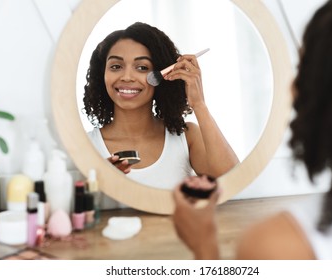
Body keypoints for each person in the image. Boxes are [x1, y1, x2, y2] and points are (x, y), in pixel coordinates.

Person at [173, 0, 332, 259]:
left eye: (304, 70)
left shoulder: (280, 245)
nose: (292, 87)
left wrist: (205, 246)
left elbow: (227, 174)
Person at [83, 22, 239, 196]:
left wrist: (199, 105)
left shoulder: (186, 138)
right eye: (116, 67)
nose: (127, 77)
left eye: (142, 67)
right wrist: (98, 184)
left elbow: (234, 183)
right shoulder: (86, 146)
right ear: (101, 75)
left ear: (162, 76)